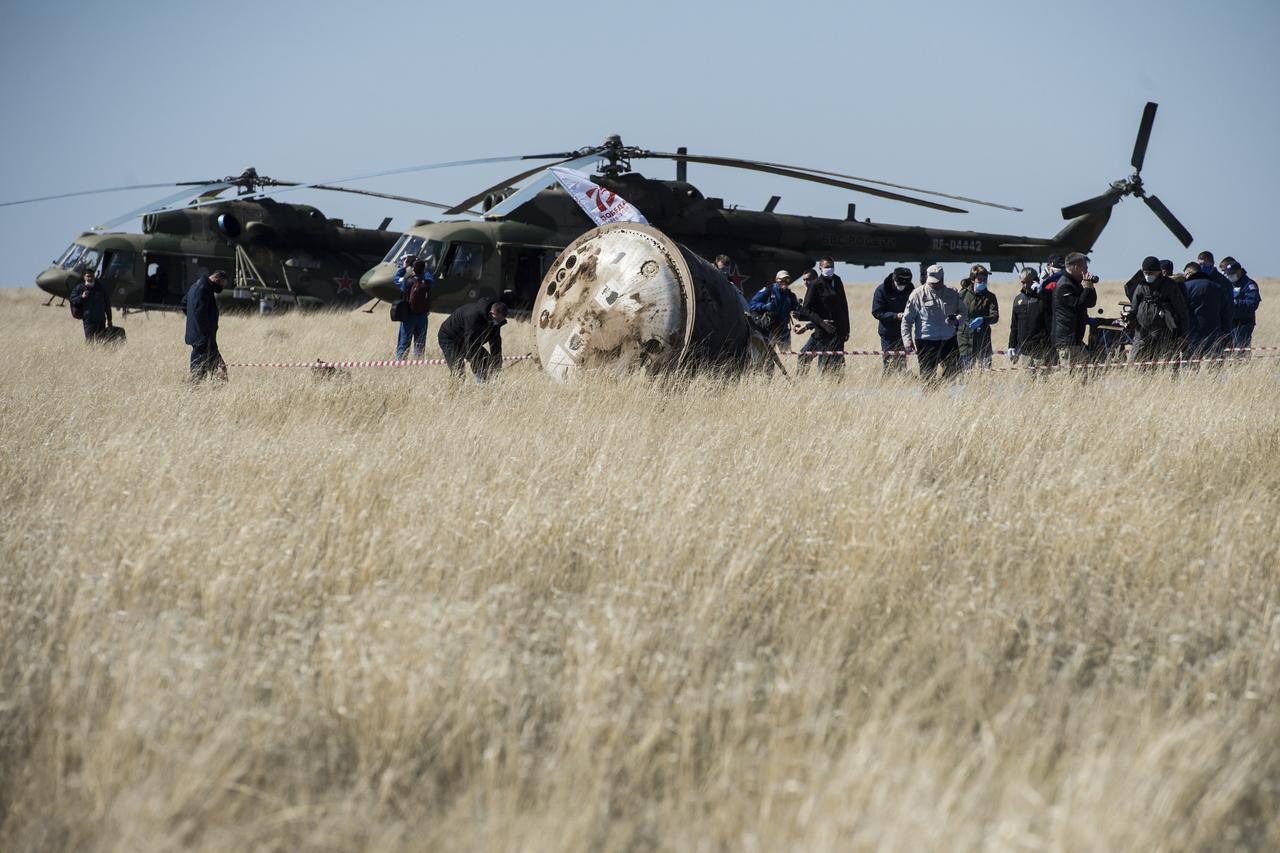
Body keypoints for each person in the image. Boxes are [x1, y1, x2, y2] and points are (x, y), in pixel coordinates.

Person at [901, 264, 967, 385]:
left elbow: (963, 311)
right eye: (931, 282)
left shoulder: (952, 294)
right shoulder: (917, 294)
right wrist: (907, 340)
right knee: (927, 375)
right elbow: (907, 320)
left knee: (956, 370)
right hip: (926, 341)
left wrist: (957, 320)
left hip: (948, 339)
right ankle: (930, 394)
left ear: (942, 279)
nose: (933, 285)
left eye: (936, 282)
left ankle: (941, 386)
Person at [1127, 256, 1190, 366]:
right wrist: (1129, 320)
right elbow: (1134, 308)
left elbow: (1181, 311)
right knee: (1137, 365)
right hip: (1141, 334)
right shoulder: (1140, 285)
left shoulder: (1169, 285)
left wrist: (1183, 334)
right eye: (1146, 272)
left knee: (1163, 364)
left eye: (1151, 272)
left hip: (1164, 335)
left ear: (1158, 271)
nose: (1148, 275)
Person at [796, 257, 850, 374]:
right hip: (822, 333)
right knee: (823, 366)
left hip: (839, 331)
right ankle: (803, 382)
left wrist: (847, 330)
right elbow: (806, 310)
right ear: (820, 268)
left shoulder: (837, 281)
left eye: (831, 267)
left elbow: (844, 306)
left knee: (837, 367)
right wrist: (822, 323)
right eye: (826, 267)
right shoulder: (815, 285)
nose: (829, 269)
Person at [438, 298, 507, 381]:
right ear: (491, 313)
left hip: (468, 339)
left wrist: (497, 365)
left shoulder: (496, 321)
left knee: (486, 361)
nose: (498, 322)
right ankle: (454, 391)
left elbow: (495, 343)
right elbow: (470, 346)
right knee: (458, 370)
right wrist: (476, 365)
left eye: (501, 320)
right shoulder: (473, 316)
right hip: (449, 338)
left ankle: (482, 387)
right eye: (497, 319)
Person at [1051, 253, 1098, 371]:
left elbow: (1090, 303)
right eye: (1085, 268)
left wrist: (1090, 287)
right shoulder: (1064, 286)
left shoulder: (1075, 283)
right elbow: (1079, 305)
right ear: (1076, 267)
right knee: (1068, 376)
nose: (1087, 271)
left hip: (1076, 340)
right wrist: (1086, 288)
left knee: (1084, 373)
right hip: (1066, 341)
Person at [180, 269, 228, 381]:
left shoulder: (195, 286)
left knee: (211, 372)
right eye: (222, 285)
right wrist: (205, 332)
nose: (221, 288)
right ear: (216, 279)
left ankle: (212, 394)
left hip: (200, 337)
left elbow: (183, 304)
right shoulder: (204, 289)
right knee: (203, 374)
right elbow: (200, 314)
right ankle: (192, 393)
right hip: (204, 340)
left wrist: (193, 323)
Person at [1183, 259, 1232, 357]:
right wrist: (1227, 334)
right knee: (1214, 366)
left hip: (1192, 334)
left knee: (1191, 367)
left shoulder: (1185, 287)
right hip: (1215, 334)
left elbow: (1182, 312)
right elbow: (1226, 313)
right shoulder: (1217, 287)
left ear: (1188, 273)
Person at [1008, 268, 1052, 374]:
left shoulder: (1043, 297)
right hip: (1024, 349)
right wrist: (1011, 346)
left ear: (1035, 280)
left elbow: (1051, 310)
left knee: (1042, 378)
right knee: (1028, 379)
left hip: (1041, 347)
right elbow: (1014, 326)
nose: (1025, 285)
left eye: (1029, 282)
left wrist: (1041, 291)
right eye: (1023, 282)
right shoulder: (1018, 299)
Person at [871, 267, 914, 374]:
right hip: (888, 334)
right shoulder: (882, 290)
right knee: (889, 365)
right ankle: (887, 382)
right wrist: (896, 316)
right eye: (900, 284)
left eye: (905, 285)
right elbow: (877, 312)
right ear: (894, 279)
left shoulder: (910, 289)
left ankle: (901, 383)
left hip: (904, 332)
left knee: (902, 364)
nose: (902, 287)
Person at [957, 264, 999, 369]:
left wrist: (983, 319)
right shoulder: (962, 295)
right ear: (973, 279)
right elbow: (954, 313)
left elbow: (995, 316)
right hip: (964, 341)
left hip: (983, 340)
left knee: (985, 371)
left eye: (985, 279)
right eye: (979, 279)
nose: (983, 282)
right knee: (965, 372)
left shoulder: (990, 297)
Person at [748, 270, 801, 354]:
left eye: (787, 280)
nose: (784, 282)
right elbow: (753, 304)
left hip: (783, 331)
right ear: (776, 279)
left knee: (786, 355)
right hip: (768, 329)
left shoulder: (790, 294)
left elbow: (797, 308)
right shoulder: (768, 290)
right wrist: (765, 307)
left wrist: (797, 312)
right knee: (768, 356)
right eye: (782, 280)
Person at [1221, 257, 1260, 352]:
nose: (1230, 276)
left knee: (1241, 351)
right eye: (1228, 274)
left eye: (1232, 274)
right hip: (1230, 322)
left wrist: (1236, 302)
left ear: (1239, 272)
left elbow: (1252, 304)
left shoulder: (1249, 285)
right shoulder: (1228, 284)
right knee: (1227, 350)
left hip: (1243, 323)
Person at [395, 257, 432, 359]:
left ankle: (400, 363)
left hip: (408, 316)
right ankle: (418, 365)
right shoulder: (428, 282)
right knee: (420, 344)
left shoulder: (405, 281)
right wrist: (426, 269)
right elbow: (430, 277)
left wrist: (404, 267)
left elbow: (396, 278)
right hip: (423, 317)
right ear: (423, 270)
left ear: (413, 269)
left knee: (403, 343)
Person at [69, 269, 113, 341]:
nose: (90, 278)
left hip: (101, 320)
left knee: (102, 341)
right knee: (90, 341)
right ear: (84, 277)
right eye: (88, 276)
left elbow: (107, 304)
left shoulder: (101, 288)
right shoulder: (79, 288)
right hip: (89, 320)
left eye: (92, 276)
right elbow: (72, 300)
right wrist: (81, 297)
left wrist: (109, 319)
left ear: (94, 277)